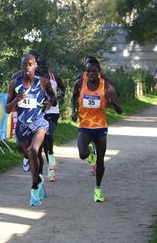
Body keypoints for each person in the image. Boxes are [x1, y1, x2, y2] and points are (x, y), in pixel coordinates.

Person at [5, 53, 57, 206]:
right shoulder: (15, 84)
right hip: (22, 125)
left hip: (39, 122)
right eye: (24, 65)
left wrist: (49, 102)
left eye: (30, 64)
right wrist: (16, 99)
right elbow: (7, 109)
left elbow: (53, 99)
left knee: (34, 151)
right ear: (21, 66)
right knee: (27, 153)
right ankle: (39, 178)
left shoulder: (43, 82)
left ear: (35, 66)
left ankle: (34, 189)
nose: (27, 67)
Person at [71, 56, 122, 202]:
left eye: (93, 71)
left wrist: (112, 102)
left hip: (100, 127)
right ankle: (89, 151)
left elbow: (120, 111)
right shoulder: (80, 83)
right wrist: (74, 111)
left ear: (99, 71)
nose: (90, 74)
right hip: (85, 126)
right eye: (88, 71)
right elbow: (73, 97)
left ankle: (98, 189)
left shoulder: (106, 86)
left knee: (101, 161)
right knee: (82, 154)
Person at [37, 55, 65, 182]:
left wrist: (59, 98)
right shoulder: (33, 79)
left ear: (47, 66)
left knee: (47, 132)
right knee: (42, 143)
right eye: (38, 65)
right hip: (38, 112)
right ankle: (49, 166)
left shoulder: (54, 77)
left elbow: (62, 88)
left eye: (43, 65)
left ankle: (51, 157)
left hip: (53, 111)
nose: (41, 68)